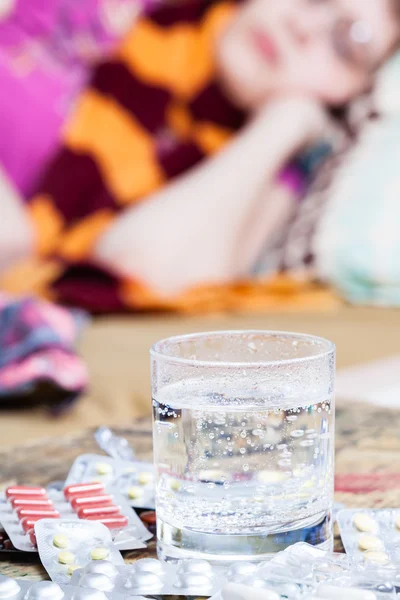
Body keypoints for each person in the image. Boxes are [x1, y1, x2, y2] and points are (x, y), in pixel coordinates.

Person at [1, 0, 399, 312]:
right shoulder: (123, 13)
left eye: (346, 44)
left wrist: (284, 126)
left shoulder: (270, 176)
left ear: (357, 92)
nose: (302, 28)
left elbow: (134, 270)